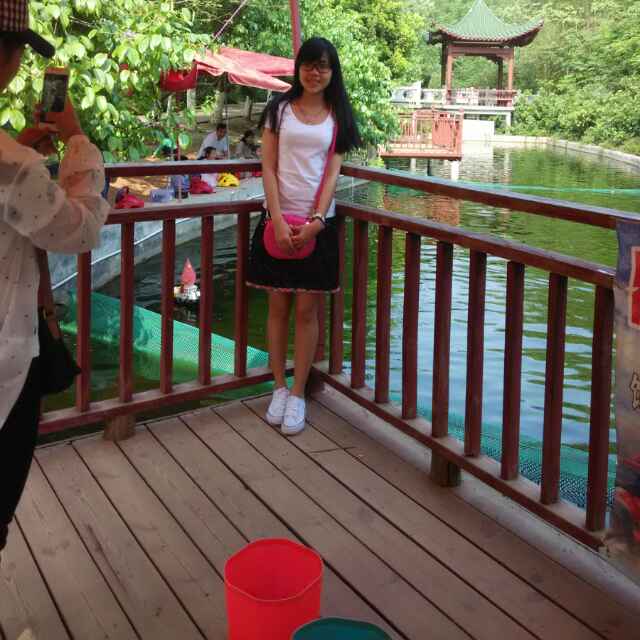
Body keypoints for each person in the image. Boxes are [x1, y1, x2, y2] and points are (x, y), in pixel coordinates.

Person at [0, 0, 110, 559]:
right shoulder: (13, 166)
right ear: (8, 59)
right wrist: (77, 140)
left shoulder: (12, 160)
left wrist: (21, 148)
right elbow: (82, 228)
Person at [246, 37, 361, 435]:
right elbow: (268, 167)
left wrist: (317, 220)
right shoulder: (279, 110)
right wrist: (277, 219)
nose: (316, 72)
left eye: (324, 66)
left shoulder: (338, 115)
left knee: (307, 312)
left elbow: (332, 174)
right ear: (298, 68)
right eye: (310, 64)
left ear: (333, 72)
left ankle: (298, 393)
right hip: (277, 221)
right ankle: (278, 387)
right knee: (278, 309)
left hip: (316, 225)